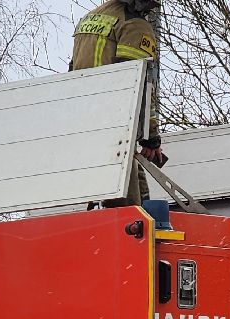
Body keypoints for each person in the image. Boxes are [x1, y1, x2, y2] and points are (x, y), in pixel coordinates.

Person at [69, 0, 164, 203]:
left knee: (128, 178)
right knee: (125, 199)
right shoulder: (134, 25)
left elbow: (72, 71)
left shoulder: (90, 18)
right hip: (114, 122)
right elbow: (138, 85)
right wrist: (150, 138)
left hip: (83, 115)